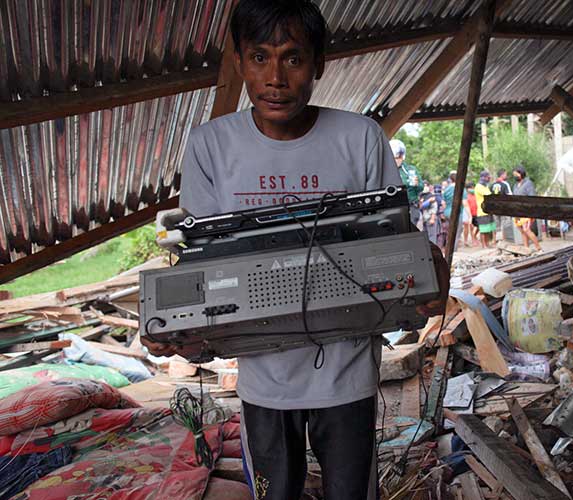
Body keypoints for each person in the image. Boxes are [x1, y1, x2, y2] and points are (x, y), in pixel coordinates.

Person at [141, 3, 449, 499]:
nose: (275, 78)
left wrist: (431, 270)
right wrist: (174, 328)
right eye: (259, 57)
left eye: (292, 58)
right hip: (263, 376)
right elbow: (204, 260)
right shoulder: (210, 145)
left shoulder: (360, 138)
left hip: (347, 372)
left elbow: (398, 248)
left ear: (318, 63)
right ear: (239, 61)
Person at [389, 139, 424, 227]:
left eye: (397, 158)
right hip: (394, 209)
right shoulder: (385, 171)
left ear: (402, 157)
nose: (395, 161)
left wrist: (417, 184)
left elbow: (421, 187)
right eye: (393, 158)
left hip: (411, 208)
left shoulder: (410, 170)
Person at [511, 166, 543, 252]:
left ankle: (539, 248)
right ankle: (526, 249)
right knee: (522, 231)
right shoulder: (515, 185)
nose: (514, 176)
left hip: (526, 211)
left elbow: (532, 197)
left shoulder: (528, 183)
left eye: (516, 174)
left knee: (527, 229)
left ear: (521, 173)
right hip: (517, 211)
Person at [474, 170, 495, 248]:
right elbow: (489, 195)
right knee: (483, 230)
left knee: (488, 229)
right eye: (487, 177)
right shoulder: (479, 186)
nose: (488, 178)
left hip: (488, 211)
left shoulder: (485, 186)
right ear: (484, 177)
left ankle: (487, 243)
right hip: (482, 211)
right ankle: (484, 245)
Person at [490, 168, 512, 241]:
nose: (506, 176)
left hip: (494, 208)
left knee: (496, 225)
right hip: (503, 207)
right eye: (505, 174)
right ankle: (504, 240)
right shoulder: (505, 184)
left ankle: (496, 240)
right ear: (502, 175)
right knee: (504, 224)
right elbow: (509, 195)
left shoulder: (492, 185)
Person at [465, 181, 479, 247]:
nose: (472, 189)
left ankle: (475, 235)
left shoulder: (477, 194)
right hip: (470, 214)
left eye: (473, 187)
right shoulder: (466, 196)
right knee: (471, 227)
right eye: (470, 188)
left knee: (479, 227)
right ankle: (473, 239)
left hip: (477, 213)